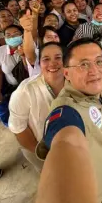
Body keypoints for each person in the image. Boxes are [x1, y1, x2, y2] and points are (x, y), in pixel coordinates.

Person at [34, 38, 102, 203]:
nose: (94, 70)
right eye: (84, 64)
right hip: (98, 201)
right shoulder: (67, 110)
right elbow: (67, 142)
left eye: (99, 62)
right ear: (66, 73)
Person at [9, 42, 65, 172]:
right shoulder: (25, 91)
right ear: (39, 63)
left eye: (58, 57)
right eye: (46, 59)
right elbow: (19, 129)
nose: (53, 63)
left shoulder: (74, 83)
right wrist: (44, 155)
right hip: (39, 151)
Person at [0, 24, 26, 97]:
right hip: (13, 88)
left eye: (16, 34)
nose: (12, 37)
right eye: (8, 35)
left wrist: (24, 55)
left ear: (22, 35)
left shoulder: (31, 49)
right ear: (4, 38)